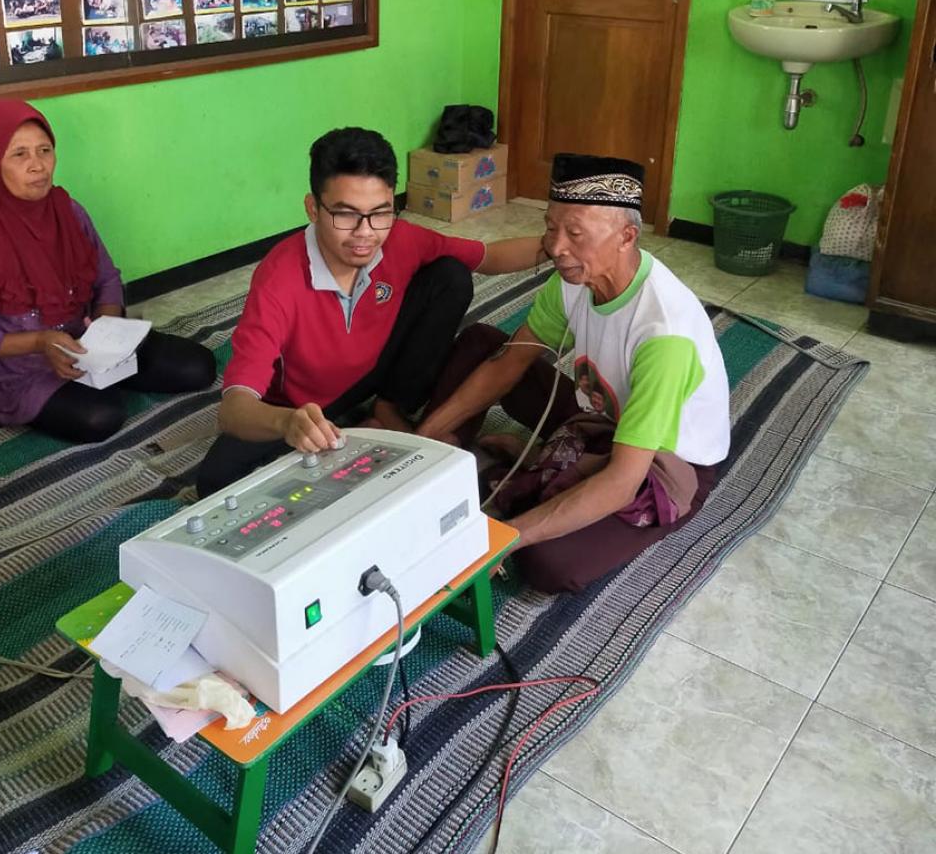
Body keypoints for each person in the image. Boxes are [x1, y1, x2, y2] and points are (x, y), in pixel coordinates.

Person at [418, 154, 730, 593]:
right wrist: (423, 440)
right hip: (603, 413)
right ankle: (449, 461)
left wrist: (508, 538)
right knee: (482, 345)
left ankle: (542, 462)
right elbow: (511, 362)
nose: (555, 247)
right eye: (550, 227)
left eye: (575, 233)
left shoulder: (664, 336)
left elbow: (622, 482)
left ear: (627, 236)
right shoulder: (572, 279)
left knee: (548, 564)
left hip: (664, 460)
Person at [196, 126, 545, 497]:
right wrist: (288, 422)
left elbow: (488, 257)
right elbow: (234, 409)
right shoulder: (278, 280)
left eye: (380, 213)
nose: (365, 233)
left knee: (450, 276)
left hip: (373, 366)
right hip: (306, 404)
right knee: (217, 480)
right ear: (313, 208)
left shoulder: (402, 238)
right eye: (346, 215)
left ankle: (390, 407)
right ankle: (355, 423)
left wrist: (564, 242)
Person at [0, 99, 215, 443]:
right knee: (100, 416)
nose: (38, 166)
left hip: (90, 344)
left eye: (45, 150)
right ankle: (97, 382)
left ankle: (105, 372)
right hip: (23, 367)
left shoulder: (68, 211)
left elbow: (106, 278)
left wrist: (107, 325)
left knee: (199, 367)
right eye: (19, 154)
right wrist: (40, 341)